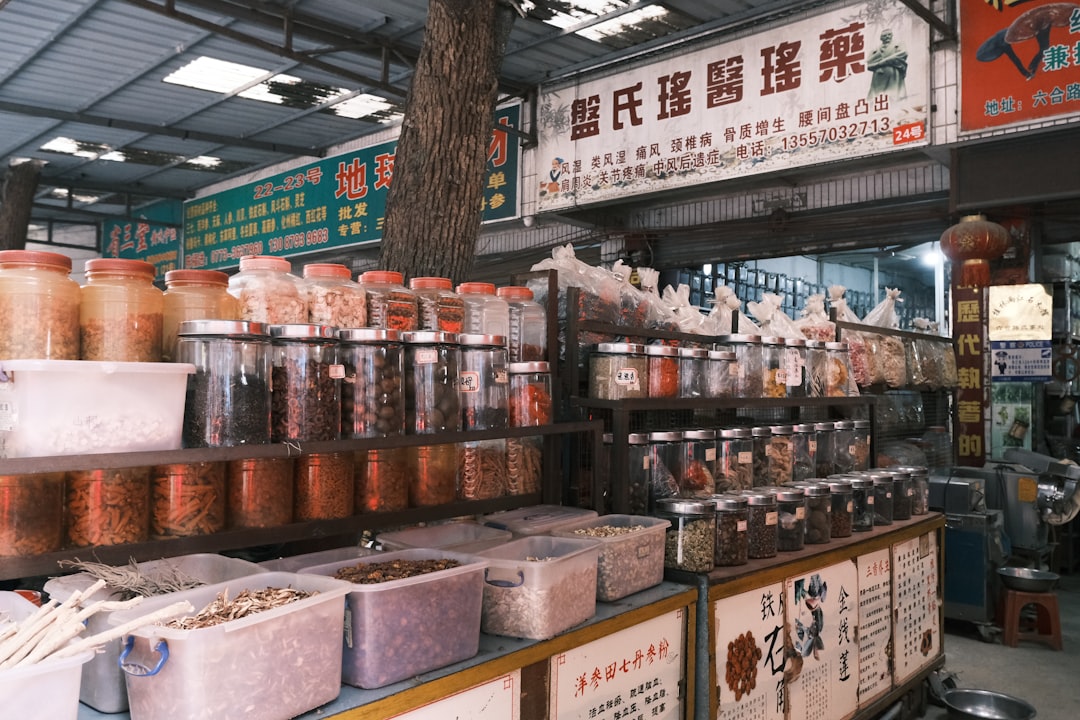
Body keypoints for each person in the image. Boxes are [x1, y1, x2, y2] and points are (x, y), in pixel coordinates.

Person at [867, 29, 908, 101]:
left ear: (892, 35)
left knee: (893, 96)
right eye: (884, 36)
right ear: (881, 38)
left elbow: (903, 54)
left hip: (893, 74)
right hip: (878, 76)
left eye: (889, 35)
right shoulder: (875, 49)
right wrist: (879, 64)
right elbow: (869, 64)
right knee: (876, 98)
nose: (887, 37)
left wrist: (885, 61)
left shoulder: (898, 45)